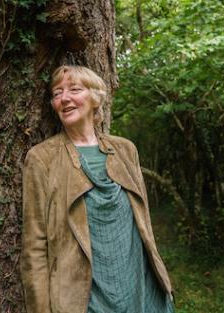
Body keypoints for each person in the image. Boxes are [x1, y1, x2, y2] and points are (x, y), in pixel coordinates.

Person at [20, 65, 175, 313]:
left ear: (95, 97)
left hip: (138, 289)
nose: (64, 98)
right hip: (82, 299)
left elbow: (144, 224)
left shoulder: (126, 150)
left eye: (74, 89)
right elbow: (34, 245)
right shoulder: (42, 159)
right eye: (57, 93)